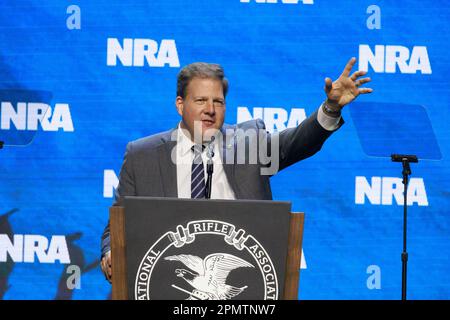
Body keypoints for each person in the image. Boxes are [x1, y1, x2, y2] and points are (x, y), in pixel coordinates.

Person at [100, 58, 372, 282]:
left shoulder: (249, 143)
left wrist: (331, 107)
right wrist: (111, 253)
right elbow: (117, 225)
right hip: (169, 283)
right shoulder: (142, 155)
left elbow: (300, 141)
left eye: (218, 102)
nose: (210, 110)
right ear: (180, 104)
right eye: (200, 101)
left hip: (243, 284)